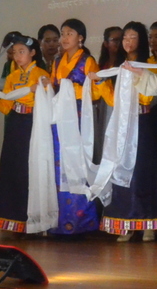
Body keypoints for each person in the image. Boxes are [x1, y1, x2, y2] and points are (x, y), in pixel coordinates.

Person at [0, 33, 50, 233]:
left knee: (29, 170)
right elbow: (7, 106)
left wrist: (43, 88)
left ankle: (33, 221)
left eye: (22, 52)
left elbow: (49, 99)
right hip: (16, 124)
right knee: (12, 170)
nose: (18, 56)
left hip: (33, 125)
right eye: (15, 52)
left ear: (32, 53)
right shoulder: (12, 77)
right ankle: (12, 219)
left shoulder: (41, 74)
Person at [101, 21, 157, 242]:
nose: (127, 42)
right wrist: (100, 83)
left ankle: (147, 222)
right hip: (123, 123)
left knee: (142, 171)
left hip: (142, 120)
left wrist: (139, 74)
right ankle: (126, 222)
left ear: (142, 40)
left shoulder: (150, 63)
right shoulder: (118, 65)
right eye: (125, 38)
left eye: (132, 37)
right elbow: (112, 99)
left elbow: (151, 94)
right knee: (121, 169)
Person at [48, 19, 102, 235]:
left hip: (80, 117)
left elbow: (96, 92)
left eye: (70, 33)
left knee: (77, 166)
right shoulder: (57, 61)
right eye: (63, 33)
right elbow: (54, 88)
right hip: (61, 118)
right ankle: (61, 222)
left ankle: (82, 222)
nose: (64, 38)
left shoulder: (88, 61)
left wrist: (74, 90)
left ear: (81, 37)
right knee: (60, 167)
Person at [92, 25, 124, 163]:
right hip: (103, 108)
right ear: (106, 43)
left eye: (121, 39)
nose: (119, 43)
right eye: (114, 40)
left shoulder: (125, 64)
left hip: (119, 108)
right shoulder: (101, 65)